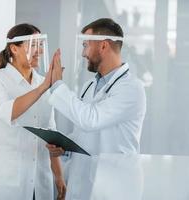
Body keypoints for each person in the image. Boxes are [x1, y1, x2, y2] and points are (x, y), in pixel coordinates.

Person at [47, 18, 146, 199]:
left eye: (86, 45)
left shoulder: (131, 88)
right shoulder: (89, 85)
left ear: (103, 46)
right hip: (84, 182)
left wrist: (58, 84)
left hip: (114, 185)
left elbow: (91, 120)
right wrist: (65, 145)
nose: (83, 53)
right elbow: (84, 133)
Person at [0, 23, 66, 200]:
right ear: (14, 49)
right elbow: (8, 112)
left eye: (41, 45)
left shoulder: (43, 83)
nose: (39, 50)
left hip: (40, 184)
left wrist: (59, 176)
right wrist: (43, 87)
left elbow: (50, 133)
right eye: (33, 45)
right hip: (7, 184)